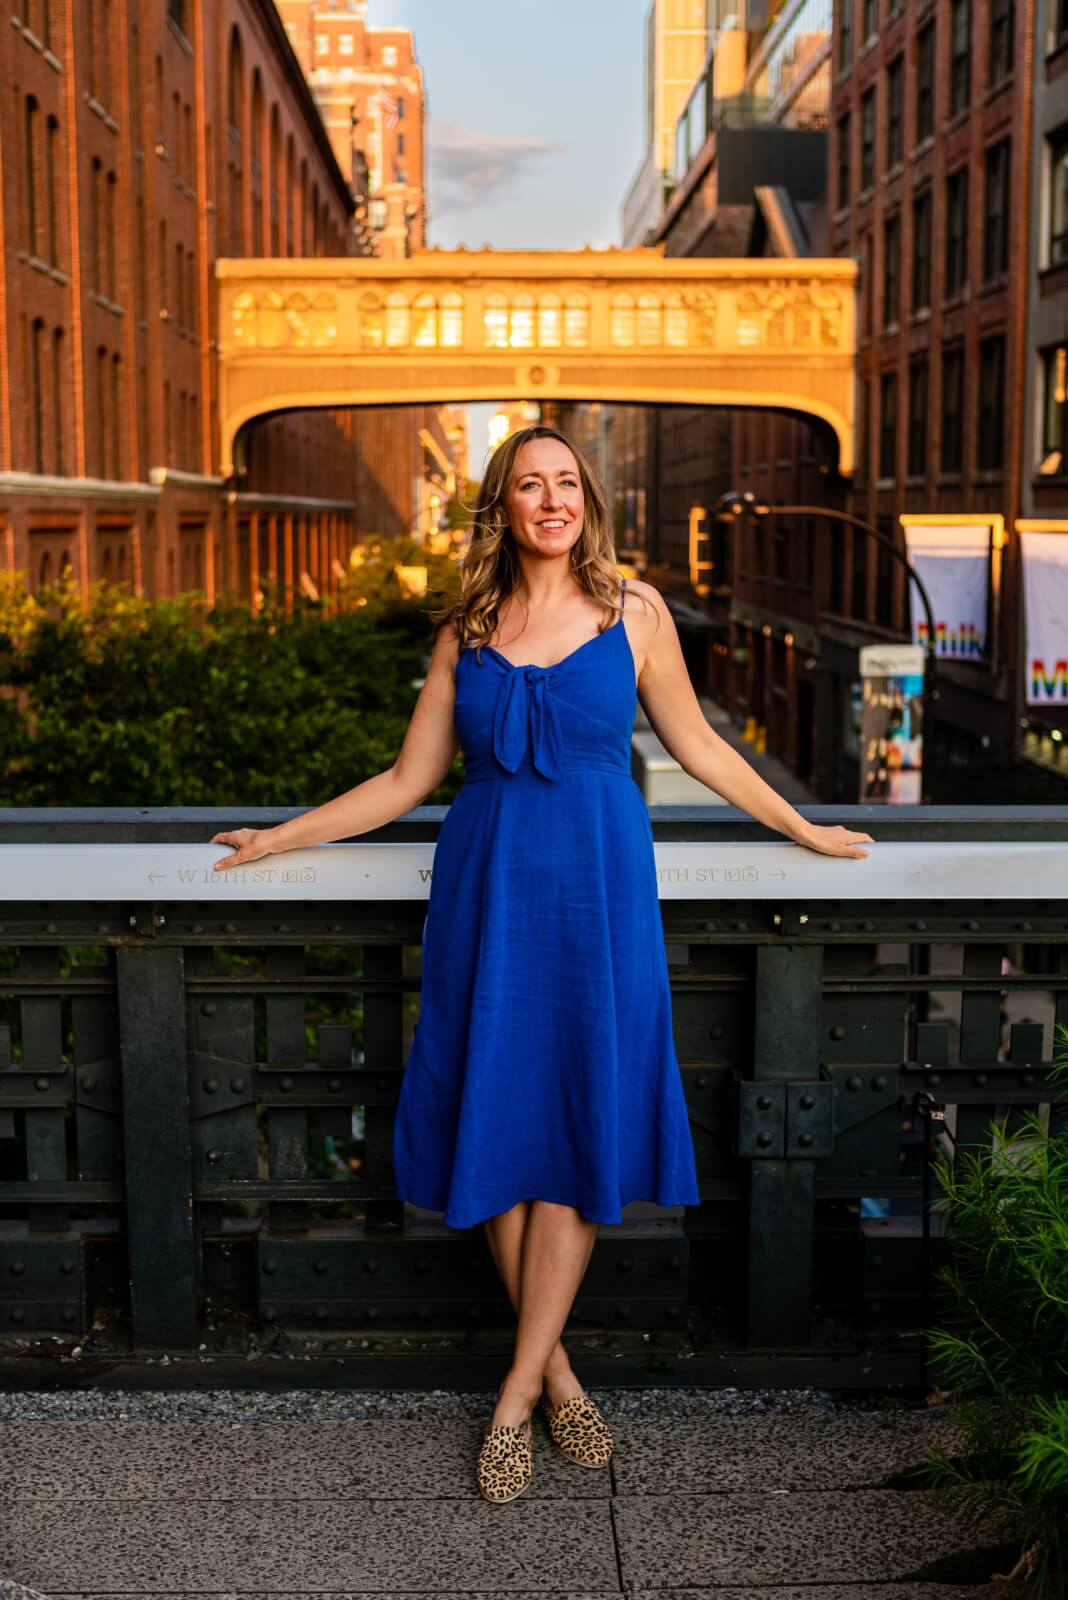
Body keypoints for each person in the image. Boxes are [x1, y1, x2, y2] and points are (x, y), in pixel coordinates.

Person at [210, 423, 874, 1504]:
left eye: (568, 482)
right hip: (488, 894)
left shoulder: (639, 613)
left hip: (599, 897)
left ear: (588, 503)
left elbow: (698, 747)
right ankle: (559, 1372)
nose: (553, 499)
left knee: (570, 1123)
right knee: (498, 1118)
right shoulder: (464, 629)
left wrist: (804, 829)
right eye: (531, 484)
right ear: (504, 507)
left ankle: (517, 1395)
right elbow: (405, 779)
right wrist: (278, 836)